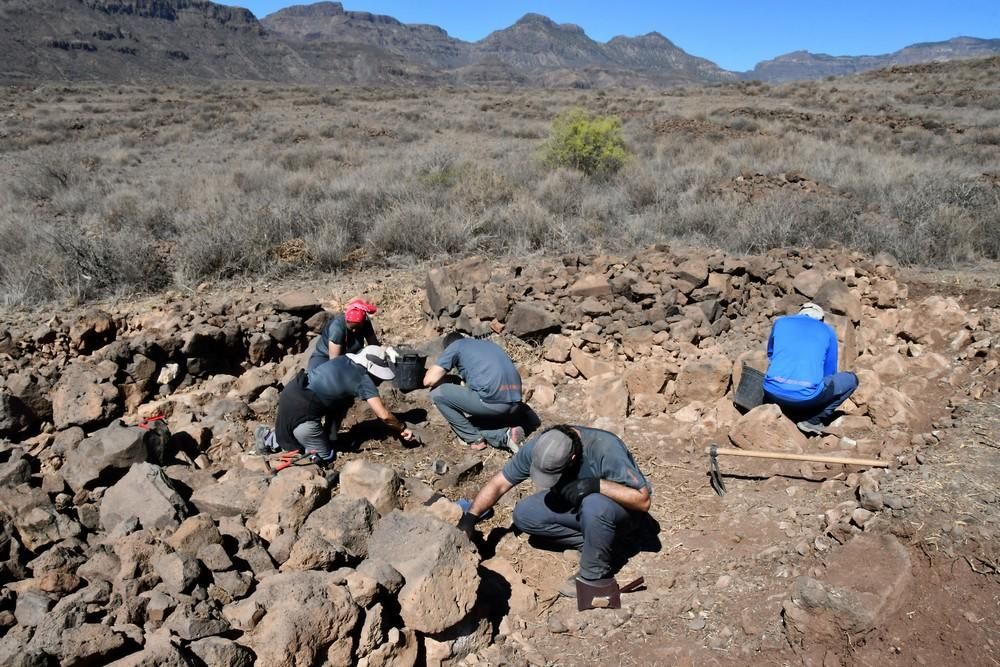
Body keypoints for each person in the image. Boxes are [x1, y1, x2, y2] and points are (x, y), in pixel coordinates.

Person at [458, 425, 652, 597]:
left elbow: (642, 501)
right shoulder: (541, 447)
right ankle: (599, 546)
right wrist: (471, 518)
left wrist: (597, 485)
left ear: (572, 458)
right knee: (524, 514)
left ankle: (594, 579)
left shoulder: (605, 448)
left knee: (594, 504)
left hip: (622, 516)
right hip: (580, 508)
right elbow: (499, 484)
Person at [256, 345, 414, 464]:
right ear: (373, 370)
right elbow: (384, 416)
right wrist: (402, 428)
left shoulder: (344, 360)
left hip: (292, 393)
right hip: (305, 412)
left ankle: (269, 437)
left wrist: (331, 436)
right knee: (325, 458)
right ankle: (303, 450)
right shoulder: (363, 380)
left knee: (295, 433)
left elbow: (339, 405)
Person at [423, 332, 540, 453]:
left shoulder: (456, 346)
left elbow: (428, 381)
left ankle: (481, 438)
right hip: (516, 401)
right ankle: (525, 415)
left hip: (494, 403)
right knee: (475, 418)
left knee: (437, 393)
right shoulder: (487, 345)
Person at [763, 302, 859, 435]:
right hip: (807, 397)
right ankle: (813, 420)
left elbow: (770, 354)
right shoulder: (827, 330)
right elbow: (829, 371)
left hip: (772, 392)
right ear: (821, 320)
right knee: (852, 380)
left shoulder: (780, 322)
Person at [306, 298, 379, 372]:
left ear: (363, 322)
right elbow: (334, 362)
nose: (354, 331)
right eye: (351, 328)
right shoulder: (337, 327)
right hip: (325, 356)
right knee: (317, 377)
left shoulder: (366, 322)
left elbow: (374, 345)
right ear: (346, 320)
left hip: (353, 355)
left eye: (357, 327)